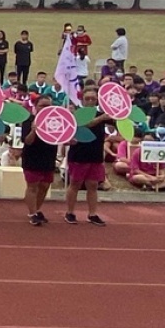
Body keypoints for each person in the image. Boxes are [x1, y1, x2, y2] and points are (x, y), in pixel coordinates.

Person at [64, 85, 109, 226]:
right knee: (75, 183)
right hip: (78, 155)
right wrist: (102, 118)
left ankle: (92, 214)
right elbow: (85, 125)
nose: (90, 101)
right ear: (82, 100)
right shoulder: (78, 114)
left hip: (95, 155)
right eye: (87, 98)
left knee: (93, 185)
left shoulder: (102, 114)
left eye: (93, 99)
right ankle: (70, 212)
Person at [19, 95, 58, 225]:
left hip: (49, 156)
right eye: (43, 106)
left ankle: (37, 209)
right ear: (35, 107)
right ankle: (32, 213)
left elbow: (62, 137)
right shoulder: (28, 120)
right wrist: (34, 130)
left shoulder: (56, 120)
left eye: (49, 106)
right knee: (32, 186)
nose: (46, 109)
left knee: (45, 185)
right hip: (32, 156)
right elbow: (27, 141)